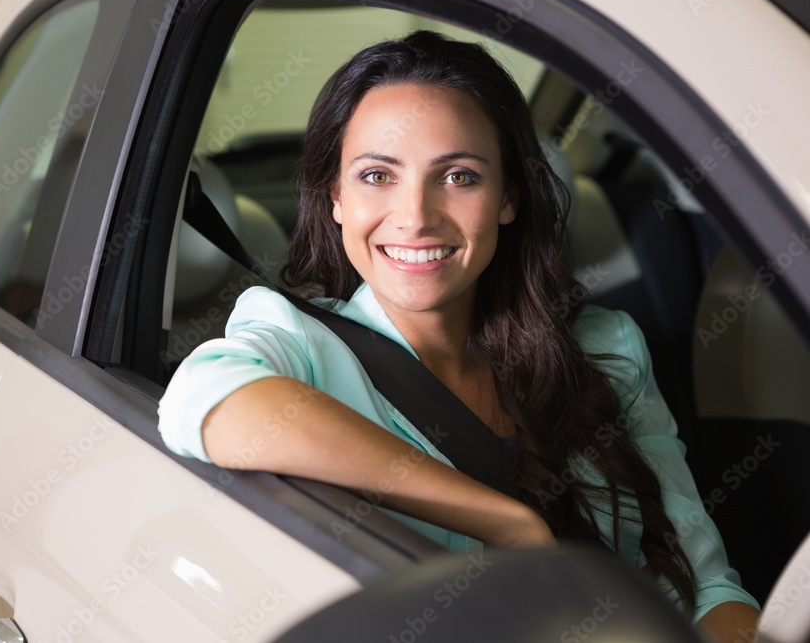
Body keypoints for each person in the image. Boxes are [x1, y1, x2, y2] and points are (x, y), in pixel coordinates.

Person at [158, 31, 760, 641]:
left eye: (459, 177)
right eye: (376, 176)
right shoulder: (301, 342)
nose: (416, 215)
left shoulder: (607, 349)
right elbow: (202, 399)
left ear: (508, 197)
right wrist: (504, 522)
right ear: (335, 197)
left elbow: (704, 589)